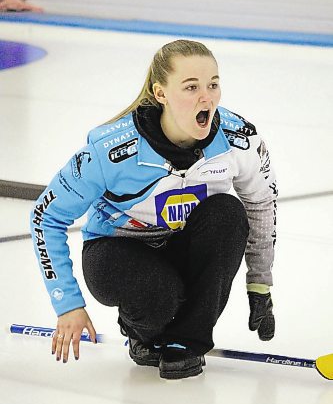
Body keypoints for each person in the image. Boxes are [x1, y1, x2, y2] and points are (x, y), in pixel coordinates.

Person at [30, 39, 277, 380]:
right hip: (118, 252)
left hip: (183, 247)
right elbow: (46, 216)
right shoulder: (111, 150)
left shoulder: (238, 139)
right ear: (161, 94)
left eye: (213, 85)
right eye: (191, 87)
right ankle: (141, 328)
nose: (207, 97)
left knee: (228, 214)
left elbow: (260, 203)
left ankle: (187, 343)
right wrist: (67, 304)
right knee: (158, 296)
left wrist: (260, 285)